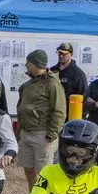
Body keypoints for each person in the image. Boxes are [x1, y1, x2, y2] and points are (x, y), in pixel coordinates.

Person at [16, 49, 65, 183]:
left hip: (43, 135)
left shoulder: (52, 83)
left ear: (34, 64)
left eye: (28, 63)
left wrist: (51, 134)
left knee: (44, 175)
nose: (26, 66)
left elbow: (59, 111)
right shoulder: (29, 84)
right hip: (26, 133)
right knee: (29, 171)